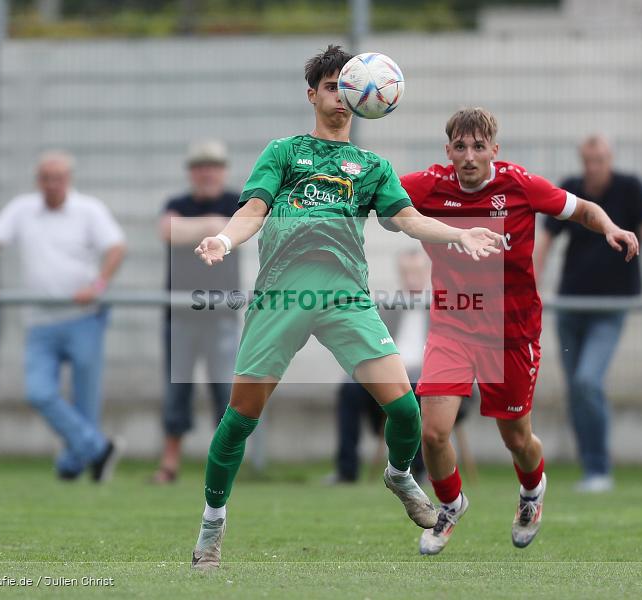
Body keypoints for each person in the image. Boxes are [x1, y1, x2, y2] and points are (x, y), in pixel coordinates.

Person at [189, 45, 503, 571]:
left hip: (345, 296)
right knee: (240, 419)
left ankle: (399, 474)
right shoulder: (285, 151)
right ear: (312, 95)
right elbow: (254, 209)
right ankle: (211, 526)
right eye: (332, 86)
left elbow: (407, 219)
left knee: (405, 409)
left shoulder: (373, 167)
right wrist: (224, 239)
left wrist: (459, 233)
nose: (342, 96)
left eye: (348, 86)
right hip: (284, 294)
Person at [400, 108, 639, 555]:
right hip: (453, 325)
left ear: (494, 149)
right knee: (432, 431)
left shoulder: (521, 186)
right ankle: (450, 504)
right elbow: (375, 194)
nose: (469, 156)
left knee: (516, 437)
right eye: (460, 147)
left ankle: (532, 490)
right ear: (448, 150)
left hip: (512, 332)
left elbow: (583, 210)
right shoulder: (430, 185)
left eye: (478, 147)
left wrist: (610, 226)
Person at [0, 151, 127, 482]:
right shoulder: (22, 209)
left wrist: (98, 285)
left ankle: (72, 466)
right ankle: (98, 449)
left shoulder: (89, 209)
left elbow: (116, 247)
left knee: (86, 402)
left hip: (84, 317)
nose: (52, 184)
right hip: (39, 321)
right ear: (37, 181)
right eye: (46, 178)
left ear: (68, 180)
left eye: (58, 178)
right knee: (39, 392)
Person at [533, 134, 642, 493]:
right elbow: (545, 240)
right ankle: (590, 466)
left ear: (610, 159)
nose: (594, 167)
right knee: (576, 391)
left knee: (587, 382)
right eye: (588, 161)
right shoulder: (572, 189)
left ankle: (598, 468)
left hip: (611, 307)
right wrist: (531, 286)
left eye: (600, 160)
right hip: (571, 304)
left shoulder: (630, 189)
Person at [151, 140, 241, 484]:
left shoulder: (236, 201)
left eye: (213, 167)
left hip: (221, 313)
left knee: (226, 393)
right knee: (176, 392)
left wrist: (196, 228)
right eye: (200, 167)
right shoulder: (176, 203)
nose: (207, 174)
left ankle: (224, 466)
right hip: (180, 314)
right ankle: (169, 464)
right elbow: (168, 231)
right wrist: (211, 226)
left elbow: (238, 230)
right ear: (191, 172)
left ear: (223, 171)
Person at [331, 249, 430, 484]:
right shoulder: (387, 309)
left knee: (416, 387)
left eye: (416, 272)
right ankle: (347, 470)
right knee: (349, 388)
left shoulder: (442, 308)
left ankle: (419, 470)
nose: (412, 279)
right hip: (389, 376)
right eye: (406, 273)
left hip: (426, 380)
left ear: (427, 273)